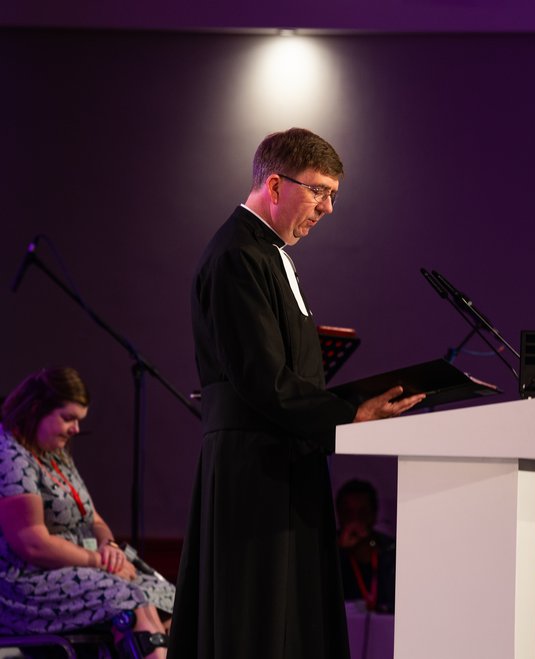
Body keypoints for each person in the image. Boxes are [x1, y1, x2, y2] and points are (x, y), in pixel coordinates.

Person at [169, 127, 425, 659]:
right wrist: (349, 414)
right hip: (254, 467)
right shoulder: (238, 255)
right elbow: (263, 378)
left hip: (283, 457)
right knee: (258, 619)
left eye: (334, 194)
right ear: (276, 185)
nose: (327, 208)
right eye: (319, 191)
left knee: (289, 617)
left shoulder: (269, 253)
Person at [0, 367, 173, 658]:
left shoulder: (55, 454)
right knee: (129, 598)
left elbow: (94, 519)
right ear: (35, 409)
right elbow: (33, 544)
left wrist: (110, 547)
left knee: (166, 596)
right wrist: (99, 562)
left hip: (77, 567)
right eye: (68, 419)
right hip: (26, 583)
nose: (76, 429)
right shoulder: (11, 458)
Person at [336, 479, 396, 613]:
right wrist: (341, 551)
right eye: (348, 512)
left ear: (374, 515)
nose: (355, 519)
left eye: (362, 512)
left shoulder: (390, 549)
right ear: (339, 514)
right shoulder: (328, 550)